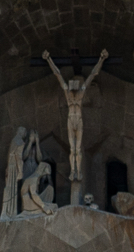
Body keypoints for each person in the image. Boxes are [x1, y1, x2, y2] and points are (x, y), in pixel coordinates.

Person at [43, 49, 109, 182]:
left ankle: (78, 171)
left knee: (77, 149)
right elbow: (58, 75)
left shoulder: (80, 94)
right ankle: (73, 171)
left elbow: (92, 75)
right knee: (72, 149)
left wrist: (101, 59)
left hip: (78, 121)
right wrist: (48, 59)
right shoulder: (67, 94)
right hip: (71, 121)